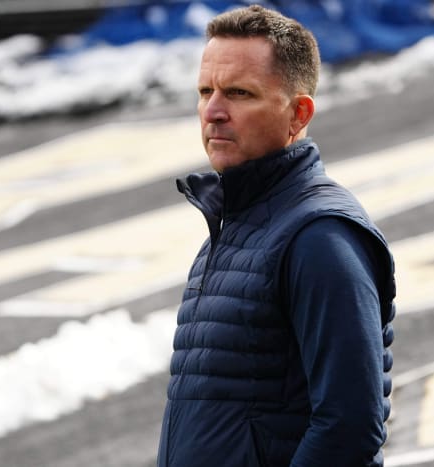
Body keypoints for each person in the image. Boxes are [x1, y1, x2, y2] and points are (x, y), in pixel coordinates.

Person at [157, 5, 396, 467]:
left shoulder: (320, 236)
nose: (213, 111)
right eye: (205, 91)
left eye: (239, 93)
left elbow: (350, 426)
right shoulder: (234, 226)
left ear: (298, 113)